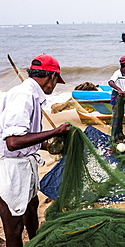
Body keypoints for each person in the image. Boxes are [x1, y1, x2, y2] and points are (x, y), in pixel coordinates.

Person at [0, 54, 71, 247]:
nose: (55, 86)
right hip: (10, 168)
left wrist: (47, 145)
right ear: (52, 77)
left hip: (25, 163)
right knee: (14, 226)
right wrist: (55, 131)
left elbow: (25, 136)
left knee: (31, 209)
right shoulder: (24, 95)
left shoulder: (32, 94)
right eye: (57, 81)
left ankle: (36, 243)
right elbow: (12, 142)